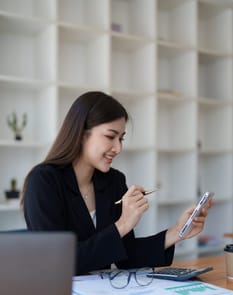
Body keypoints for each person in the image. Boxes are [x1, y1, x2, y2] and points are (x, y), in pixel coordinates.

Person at [21, 91, 213, 275]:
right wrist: (122, 225)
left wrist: (176, 232)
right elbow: (57, 262)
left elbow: (126, 256)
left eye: (121, 138)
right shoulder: (43, 182)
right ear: (81, 133)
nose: (118, 148)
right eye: (110, 137)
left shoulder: (114, 180)